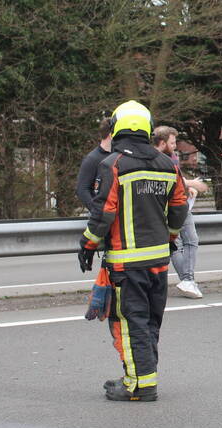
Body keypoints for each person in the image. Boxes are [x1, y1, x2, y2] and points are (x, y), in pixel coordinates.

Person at [78, 100, 189, 401]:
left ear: (117, 128)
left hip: (126, 264)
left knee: (129, 322)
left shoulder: (113, 164)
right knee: (150, 321)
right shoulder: (168, 165)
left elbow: (103, 214)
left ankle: (138, 385)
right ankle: (143, 377)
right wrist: (171, 235)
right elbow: (179, 209)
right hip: (158, 261)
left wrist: (87, 244)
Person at [153, 125, 208, 299]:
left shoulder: (171, 156)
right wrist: (191, 184)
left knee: (180, 244)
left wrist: (186, 188)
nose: (175, 145)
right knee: (188, 241)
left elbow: (176, 179)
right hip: (173, 206)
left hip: (179, 202)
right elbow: (168, 179)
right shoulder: (158, 159)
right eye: (172, 142)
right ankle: (188, 279)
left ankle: (187, 280)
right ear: (162, 143)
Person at [75, 117, 113, 212]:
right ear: (111, 135)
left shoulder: (119, 156)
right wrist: (99, 212)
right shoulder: (92, 159)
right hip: (102, 221)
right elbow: (82, 189)